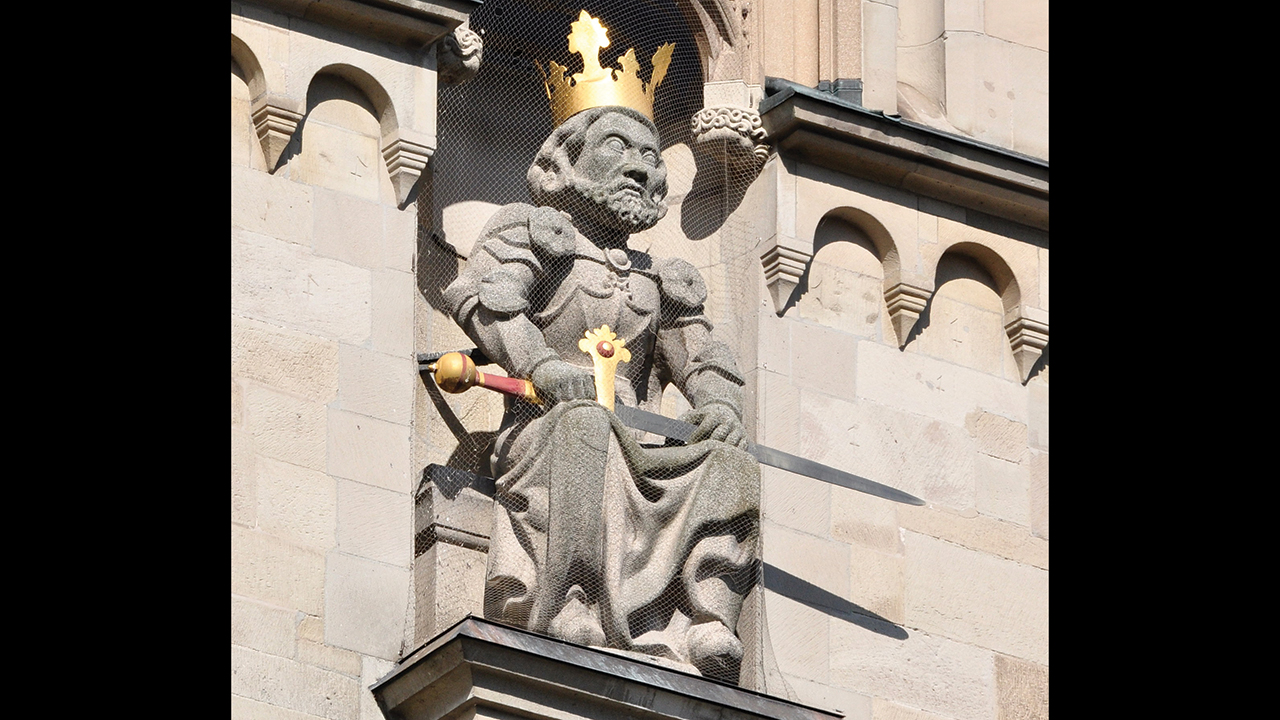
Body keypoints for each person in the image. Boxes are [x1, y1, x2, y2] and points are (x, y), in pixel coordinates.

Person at [442, 105, 760, 682]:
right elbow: (486, 302)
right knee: (587, 426)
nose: (640, 169)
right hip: (549, 428)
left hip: (643, 451)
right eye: (618, 147)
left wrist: (719, 406)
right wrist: (542, 365)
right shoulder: (528, 229)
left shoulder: (662, 276)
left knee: (729, 465)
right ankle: (569, 601)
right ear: (566, 161)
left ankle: (709, 621)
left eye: (650, 157)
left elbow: (703, 355)